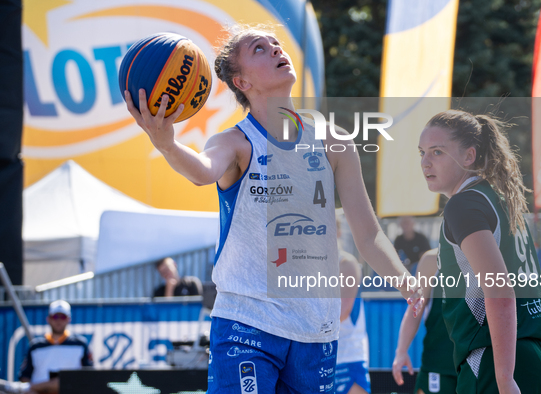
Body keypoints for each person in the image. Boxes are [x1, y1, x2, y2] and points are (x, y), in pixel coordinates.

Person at [125, 23, 422, 393]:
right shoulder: (236, 142)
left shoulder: (334, 142)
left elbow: (368, 233)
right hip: (246, 320)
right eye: (259, 49)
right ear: (242, 82)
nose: (276, 49)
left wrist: (405, 282)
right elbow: (202, 171)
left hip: (315, 327)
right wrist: (167, 144)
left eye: (276, 44)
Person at [418, 109, 541, 393]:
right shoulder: (503, 202)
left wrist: (503, 377)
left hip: (492, 362)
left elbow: (500, 291)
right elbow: (532, 290)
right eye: (422, 152)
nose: (425, 162)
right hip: (537, 359)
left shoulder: (464, 205)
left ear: (469, 156)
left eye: (437, 152)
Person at [392, 249, 456, 394]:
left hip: (478, 365)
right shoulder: (432, 260)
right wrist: (401, 351)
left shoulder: (489, 253)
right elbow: (414, 310)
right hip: (438, 363)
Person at [0, 300, 92, 394]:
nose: (58, 320)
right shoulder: (36, 346)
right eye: (55, 316)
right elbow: (25, 376)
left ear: (68, 319)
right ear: (48, 319)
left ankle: (18, 388)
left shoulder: (80, 344)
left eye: (62, 317)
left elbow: (89, 376)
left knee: (63, 381)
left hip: (70, 391)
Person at [335, 250, 371, 394]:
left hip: (348, 357)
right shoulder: (307, 264)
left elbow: (342, 312)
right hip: (319, 359)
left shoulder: (345, 262)